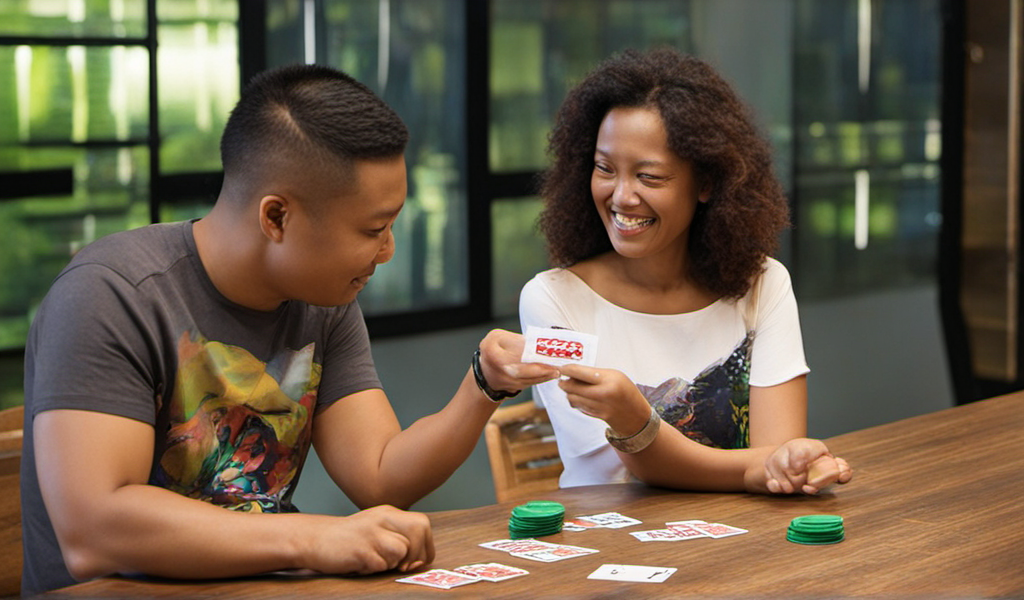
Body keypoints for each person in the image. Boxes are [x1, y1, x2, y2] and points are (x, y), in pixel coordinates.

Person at [21, 64, 559, 596]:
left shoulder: (322, 300)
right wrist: (311, 538)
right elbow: (94, 531)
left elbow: (378, 476)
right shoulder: (110, 294)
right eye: (374, 229)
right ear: (276, 217)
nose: (388, 251)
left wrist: (483, 384)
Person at [519, 48, 853, 495]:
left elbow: (780, 455)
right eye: (604, 169)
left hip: (747, 533)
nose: (621, 196)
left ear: (707, 183)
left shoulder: (763, 284)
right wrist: (756, 468)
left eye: (649, 177)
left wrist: (781, 462)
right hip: (609, 534)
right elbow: (623, 471)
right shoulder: (552, 300)